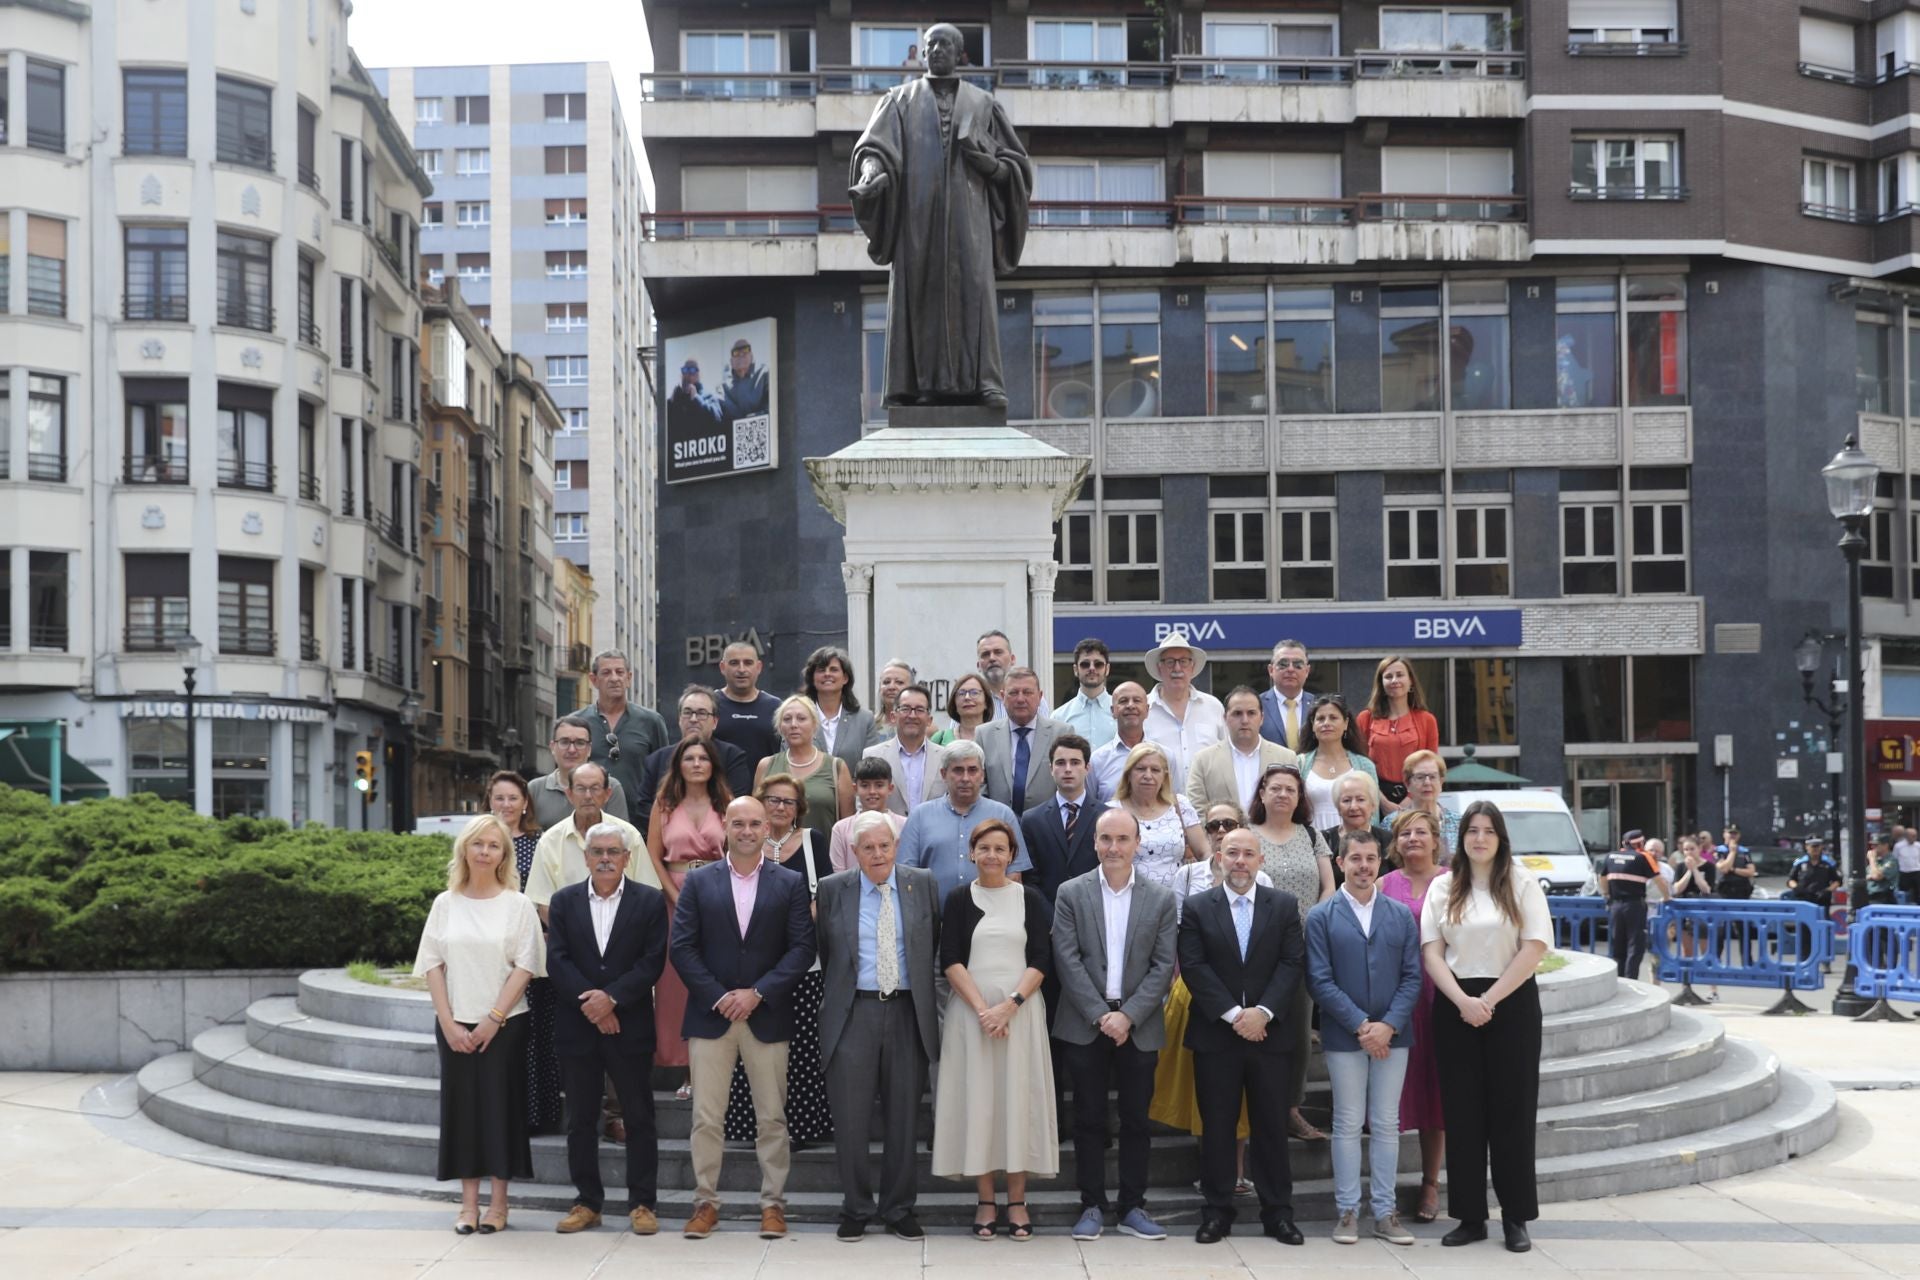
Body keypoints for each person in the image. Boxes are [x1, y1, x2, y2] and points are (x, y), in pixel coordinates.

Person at [850, 22, 1032, 410]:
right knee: (921, 295)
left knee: (976, 294)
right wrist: (870, 172)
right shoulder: (899, 100)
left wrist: (992, 168)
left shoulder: (984, 104)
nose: (935, 51)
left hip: (971, 223)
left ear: (960, 53)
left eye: (944, 44)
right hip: (918, 221)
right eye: (929, 45)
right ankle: (921, 386)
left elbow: (1015, 167)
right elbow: (875, 149)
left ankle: (986, 383)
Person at [671, 796, 818, 1241]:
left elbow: (801, 949)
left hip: (766, 1014)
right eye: (739, 823)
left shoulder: (790, 882)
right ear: (726, 829)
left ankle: (773, 1205)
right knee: (705, 1118)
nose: (749, 830)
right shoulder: (699, 883)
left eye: (756, 823)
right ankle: (704, 1203)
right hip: (710, 1015)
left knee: (772, 1118)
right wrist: (719, 997)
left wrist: (757, 993)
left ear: (766, 828)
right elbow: (682, 947)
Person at [1421, 801, 1552, 1254]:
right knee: (1462, 1113)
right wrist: (1462, 1001)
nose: (1479, 838)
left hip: (1510, 1003)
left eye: (1488, 831)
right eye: (1472, 830)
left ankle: (1516, 1217)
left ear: (1500, 838)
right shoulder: (1443, 886)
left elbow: (1534, 946)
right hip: (1456, 1006)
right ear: (1462, 838)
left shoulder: (1521, 881)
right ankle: (1470, 1217)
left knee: (1513, 1111)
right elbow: (1432, 952)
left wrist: (1489, 1000)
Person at [412, 814, 545, 1235]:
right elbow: (432, 964)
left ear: (504, 854)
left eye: (493, 845)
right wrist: (449, 1023)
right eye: (478, 844)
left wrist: (493, 1019)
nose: (485, 852)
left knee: (500, 1110)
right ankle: (468, 1205)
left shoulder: (517, 904)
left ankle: (499, 1204)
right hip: (454, 1023)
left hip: (505, 1025)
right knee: (463, 1112)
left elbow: (526, 966)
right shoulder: (444, 903)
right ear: (464, 850)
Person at [1051, 809, 1178, 1242]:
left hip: (1138, 1025)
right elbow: (1066, 959)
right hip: (1086, 1022)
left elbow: (1163, 966)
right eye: (1106, 838)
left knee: (1136, 1120)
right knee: (1088, 1118)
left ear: (1137, 843)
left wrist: (1128, 1015)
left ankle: (1131, 1207)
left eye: (1123, 839)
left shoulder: (1160, 898)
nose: (1114, 847)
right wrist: (1101, 1014)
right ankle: (1091, 1204)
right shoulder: (1071, 892)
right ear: (1094, 843)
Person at [1179, 826, 1306, 1248]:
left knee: (1271, 1126)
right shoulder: (1197, 907)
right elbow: (1194, 966)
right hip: (1218, 1035)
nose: (1239, 861)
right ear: (1218, 858)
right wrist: (1236, 1015)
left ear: (1260, 861)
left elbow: (1292, 963)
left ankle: (1278, 1214)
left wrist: (1263, 1013)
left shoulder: (1284, 906)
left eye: (1248, 854)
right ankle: (1216, 1213)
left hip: (1271, 1035)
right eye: (1231, 853)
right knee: (1217, 1128)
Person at [817, 813, 941, 1242]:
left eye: (884, 846)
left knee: (904, 1117)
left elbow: (934, 943)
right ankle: (856, 1207)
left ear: (896, 846)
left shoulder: (921, 883)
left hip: (908, 1011)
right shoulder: (834, 890)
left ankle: (899, 1207)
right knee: (850, 1119)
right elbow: (826, 950)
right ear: (854, 852)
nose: (877, 854)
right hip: (854, 1012)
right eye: (867, 847)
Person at [933, 819, 1057, 1241]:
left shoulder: (1032, 898)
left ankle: (1017, 1201)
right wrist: (984, 1010)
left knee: (1016, 1102)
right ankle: (986, 1199)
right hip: (972, 1018)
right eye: (984, 848)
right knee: (980, 1102)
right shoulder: (957, 898)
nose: (991, 855)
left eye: (1000, 848)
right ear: (972, 852)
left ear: (1012, 854)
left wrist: (1010, 1006)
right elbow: (949, 958)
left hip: (1020, 1015)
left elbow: (1042, 959)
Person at [546, 823, 669, 1237]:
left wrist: (612, 999)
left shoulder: (649, 901)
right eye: (597, 851)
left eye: (613, 851)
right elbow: (557, 961)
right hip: (578, 1027)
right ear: (585, 857)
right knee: (581, 1119)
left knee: (639, 1116)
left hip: (628, 1025)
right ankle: (586, 1202)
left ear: (626, 857)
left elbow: (652, 962)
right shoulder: (563, 902)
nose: (604, 858)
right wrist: (594, 1004)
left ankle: (642, 1204)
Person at [1307, 830, 1422, 1248]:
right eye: (1355, 858)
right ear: (1340, 863)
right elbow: (1319, 980)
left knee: (1387, 1123)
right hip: (1344, 1034)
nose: (1363, 866)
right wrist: (1361, 1025)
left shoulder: (1398, 915)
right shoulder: (1322, 916)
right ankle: (1347, 1211)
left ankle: (1386, 1211)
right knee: (1348, 1122)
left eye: (1371, 859)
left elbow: (1413, 976)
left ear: (1380, 863)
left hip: (1394, 1036)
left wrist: (1388, 1025)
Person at [1150, 803, 1270, 1197]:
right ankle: (1212, 1170)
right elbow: (1176, 936)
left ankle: (1237, 1171)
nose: (1221, 830)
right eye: (1214, 825)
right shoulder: (1188, 876)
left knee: (1242, 1094)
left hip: (1248, 998)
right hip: (1195, 993)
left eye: (1229, 824)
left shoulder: (1261, 877)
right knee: (1201, 1089)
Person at [723, 776, 837, 1152]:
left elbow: (825, 892)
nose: (780, 807)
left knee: (802, 1046)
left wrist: (795, 927)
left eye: (789, 802)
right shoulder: (745, 840)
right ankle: (754, 1125)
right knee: (754, 1043)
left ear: (799, 807)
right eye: (772, 800)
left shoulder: (812, 842)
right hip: (752, 961)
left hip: (803, 958)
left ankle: (802, 1126)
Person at [1247, 763, 1334, 1142]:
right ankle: (1252, 1111)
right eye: (1275, 788)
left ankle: (1291, 1110)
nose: (1283, 794)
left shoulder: (1312, 835)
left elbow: (1329, 887)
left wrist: (1313, 920)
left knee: (1298, 1031)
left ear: (1300, 798)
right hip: (1253, 949)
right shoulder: (1245, 834)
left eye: (1291, 789)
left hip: (1301, 949)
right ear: (1262, 793)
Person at [645, 737, 732, 1084]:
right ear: (678, 764)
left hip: (717, 895)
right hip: (675, 895)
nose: (697, 764)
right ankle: (682, 1066)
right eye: (689, 758)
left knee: (715, 972)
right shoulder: (664, 804)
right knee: (675, 980)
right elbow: (652, 853)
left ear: (713, 765)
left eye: (703, 758)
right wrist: (673, 895)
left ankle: (713, 1063)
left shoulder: (725, 803)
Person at [1378, 808, 1449, 1223]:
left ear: (1436, 839)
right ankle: (1382, 1188)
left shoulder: (1451, 882)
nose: (1413, 840)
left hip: (1442, 998)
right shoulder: (1385, 883)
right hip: (1397, 1003)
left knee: (1436, 1092)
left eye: (1421, 832)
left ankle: (1430, 1184)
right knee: (1391, 1096)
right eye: (1405, 833)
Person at [485, 770, 562, 1137]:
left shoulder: (540, 841)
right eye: (499, 798)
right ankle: (501, 1111)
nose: (506, 805)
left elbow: (551, 895)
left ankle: (539, 1113)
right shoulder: (480, 842)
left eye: (512, 798)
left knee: (536, 1031)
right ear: (489, 801)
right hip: (490, 952)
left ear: (525, 803)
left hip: (533, 949)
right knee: (500, 1030)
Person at [526, 762, 658, 927]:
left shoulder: (629, 836)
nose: (588, 796)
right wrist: (575, 936)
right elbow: (544, 904)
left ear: (607, 793)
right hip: (571, 941)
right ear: (569, 794)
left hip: (625, 936)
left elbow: (648, 895)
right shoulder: (549, 842)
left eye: (595, 788)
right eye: (581, 788)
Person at [896, 740, 1032, 899]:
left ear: (982, 775)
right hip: (933, 919)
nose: (965, 778)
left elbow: (1014, 875)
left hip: (990, 917)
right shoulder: (920, 816)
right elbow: (906, 875)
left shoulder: (1003, 815)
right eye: (958, 770)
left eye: (972, 770)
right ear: (943, 774)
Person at [634, 686, 755, 837]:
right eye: (687, 712)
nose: (693, 719)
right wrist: (678, 829)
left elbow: (737, 805)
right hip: (667, 846)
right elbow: (643, 807)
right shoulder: (656, 760)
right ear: (679, 719)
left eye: (701, 713)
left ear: (715, 722)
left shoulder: (732, 757)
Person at [754, 695, 855, 839]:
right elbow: (755, 818)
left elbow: (848, 826)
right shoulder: (766, 765)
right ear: (780, 727)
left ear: (814, 724)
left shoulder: (836, 767)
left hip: (823, 857)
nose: (793, 724)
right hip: (774, 857)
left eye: (801, 718)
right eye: (787, 719)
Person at [580, 650, 672, 807]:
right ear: (594, 680)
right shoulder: (578, 722)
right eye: (606, 673)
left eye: (620, 672)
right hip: (590, 818)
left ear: (629, 678)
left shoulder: (652, 721)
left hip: (640, 821)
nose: (614, 678)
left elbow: (666, 774)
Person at [1187, 685, 1297, 816]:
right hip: (1222, 835)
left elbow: (1294, 805)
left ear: (1261, 718)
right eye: (1237, 713)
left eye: (1251, 713)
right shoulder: (1203, 760)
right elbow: (1196, 812)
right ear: (1225, 718)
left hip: (1273, 835)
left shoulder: (1286, 758)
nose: (1245, 720)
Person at [1110, 741, 1207, 889]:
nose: (1148, 775)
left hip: (1176, 901)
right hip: (1130, 900)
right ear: (1128, 774)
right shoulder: (1111, 812)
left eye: (1155, 770)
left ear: (1164, 776)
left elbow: (1204, 851)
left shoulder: (1180, 806)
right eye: (1141, 769)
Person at [1020, 734, 1099, 902]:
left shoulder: (1105, 816)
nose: (1068, 769)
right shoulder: (1032, 820)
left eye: (1075, 762)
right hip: (1047, 916)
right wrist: (1049, 918)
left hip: (1095, 913)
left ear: (1087, 767)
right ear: (1051, 769)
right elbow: (1030, 879)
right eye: (1061, 763)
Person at [977, 666, 1068, 813]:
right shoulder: (984, 734)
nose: (1020, 699)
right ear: (1002, 696)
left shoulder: (1061, 733)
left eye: (1027, 692)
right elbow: (980, 786)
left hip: (1046, 826)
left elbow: (1066, 783)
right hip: (998, 826)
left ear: (1040, 696)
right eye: (1013, 693)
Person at [1355, 656, 1440, 808]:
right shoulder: (1365, 719)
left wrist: (1410, 799)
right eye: (1388, 676)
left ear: (1411, 680)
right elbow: (1358, 764)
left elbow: (1432, 765)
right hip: (1374, 798)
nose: (1394, 680)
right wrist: (1382, 802)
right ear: (1381, 683)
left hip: (1417, 797)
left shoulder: (1427, 720)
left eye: (1400, 675)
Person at [1142, 631, 1226, 779]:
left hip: (1207, 800)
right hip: (1160, 800)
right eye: (1170, 662)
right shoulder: (1143, 709)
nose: (1177, 668)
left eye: (1183, 661)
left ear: (1192, 667)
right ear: (1159, 667)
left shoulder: (1213, 706)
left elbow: (1228, 754)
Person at [1090, 681, 1185, 803]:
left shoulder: (1166, 756)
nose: (1130, 705)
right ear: (1113, 711)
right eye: (1123, 701)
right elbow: (1090, 808)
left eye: (1137, 700)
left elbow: (1175, 803)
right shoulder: (1097, 760)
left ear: (1147, 710)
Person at [534, 713, 632, 828]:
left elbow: (620, 835)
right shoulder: (535, 789)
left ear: (589, 749)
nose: (571, 750)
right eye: (564, 742)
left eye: (580, 743)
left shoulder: (610, 787)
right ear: (552, 747)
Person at [864, 683, 949, 814]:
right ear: (893, 716)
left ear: (929, 720)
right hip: (888, 832)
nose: (912, 715)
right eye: (905, 709)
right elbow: (863, 806)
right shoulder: (873, 755)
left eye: (920, 710)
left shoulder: (945, 757)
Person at [1297, 695, 1381, 824]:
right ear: (1313, 725)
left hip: (1354, 840)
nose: (1326, 723)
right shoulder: (1299, 764)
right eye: (1320, 719)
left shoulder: (1364, 765)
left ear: (1346, 724)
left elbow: (1373, 813)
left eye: (1333, 718)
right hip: (1312, 840)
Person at [803, 645, 880, 780]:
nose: (827, 674)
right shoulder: (798, 718)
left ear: (845, 678)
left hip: (853, 798)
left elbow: (872, 768)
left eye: (833, 670)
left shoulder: (864, 719)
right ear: (812, 679)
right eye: (821, 670)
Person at [1599, 829, 1662, 981]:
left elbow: (1602, 879)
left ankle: (1618, 980)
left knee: (1618, 945)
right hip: (1634, 905)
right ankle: (1630, 980)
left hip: (1615, 906)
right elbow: (1659, 880)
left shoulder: (1610, 856)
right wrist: (1667, 898)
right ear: (1640, 843)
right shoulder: (1643, 857)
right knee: (1635, 945)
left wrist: (1607, 895)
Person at [830, 756, 908, 872]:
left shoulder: (905, 825)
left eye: (879, 785)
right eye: (865, 786)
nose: (872, 792)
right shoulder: (841, 829)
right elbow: (838, 874)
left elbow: (909, 867)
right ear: (855, 789)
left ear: (890, 788)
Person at [714, 640, 783, 764]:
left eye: (748, 663)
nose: (741, 669)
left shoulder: (776, 707)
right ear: (722, 667)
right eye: (734, 663)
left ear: (759, 667)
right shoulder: (709, 704)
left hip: (766, 783)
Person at [1320, 771, 1394, 874]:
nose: (1353, 807)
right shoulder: (1323, 840)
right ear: (1338, 807)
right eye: (1346, 800)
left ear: (1373, 805)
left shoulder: (1389, 841)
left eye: (1360, 799)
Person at [974, 629, 1052, 721]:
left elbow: (1044, 733)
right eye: (985, 654)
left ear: (1012, 659)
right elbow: (956, 734)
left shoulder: (1034, 699)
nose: (992, 658)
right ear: (978, 665)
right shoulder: (969, 701)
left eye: (998, 652)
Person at [1057, 637, 1117, 749]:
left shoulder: (1121, 712)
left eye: (1098, 664)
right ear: (1075, 670)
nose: (1092, 668)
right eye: (1085, 664)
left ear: (1107, 669)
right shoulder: (1059, 717)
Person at [1669, 835, 1718, 969]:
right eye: (1686, 849)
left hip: (1703, 910)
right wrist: (1689, 871)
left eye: (1692, 849)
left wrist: (1695, 869)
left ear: (1699, 849)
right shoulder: (1680, 867)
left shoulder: (1709, 867)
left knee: (1706, 949)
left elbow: (1706, 888)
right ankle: (1687, 984)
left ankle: (1712, 986)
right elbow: (1677, 889)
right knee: (1687, 951)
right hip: (1684, 910)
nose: (1689, 852)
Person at [1260, 640, 1317, 753]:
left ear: (1307, 671)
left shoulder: (1318, 705)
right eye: (1283, 664)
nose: (1290, 669)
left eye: (1298, 665)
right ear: (1271, 670)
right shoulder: (1257, 705)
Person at [1399, 750, 1460, 852]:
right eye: (1420, 777)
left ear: (1441, 782)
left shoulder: (1458, 823)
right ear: (1407, 784)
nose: (1427, 783)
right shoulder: (1392, 823)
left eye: (1432, 777)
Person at [932, 672, 994, 745]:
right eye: (961, 693)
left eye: (974, 693)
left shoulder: (996, 737)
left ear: (986, 702)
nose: (967, 697)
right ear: (954, 702)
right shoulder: (940, 739)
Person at [667, 359, 724, 438]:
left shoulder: (708, 396)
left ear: (699, 374)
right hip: (679, 447)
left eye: (692, 370)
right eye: (685, 370)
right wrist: (670, 402)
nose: (688, 374)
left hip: (701, 446)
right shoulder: (675, 398)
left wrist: (696, 399)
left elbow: (717, 419)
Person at [1785, 836, 1841, 913]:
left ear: (1821, 847)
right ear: (1807, 847)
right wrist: (1797, 888)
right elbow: (1791, 880)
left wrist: (1827, 890)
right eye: (1813, 846)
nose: (1815, 849)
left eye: (1817, 846)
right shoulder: (1799, 862)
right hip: (1803, 900)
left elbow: (1837, 881)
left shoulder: (1829, 863)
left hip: (1822, 900)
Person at [720, 336, 770, 421]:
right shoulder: (724, 387)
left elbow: (772, 407)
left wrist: (752, 419)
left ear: (751, 356)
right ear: (731, 361)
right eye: (736, 352)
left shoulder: (764, 374)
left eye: (745, 350)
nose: (741, 354)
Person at [874, 659, 915, 738]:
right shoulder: (868, 726)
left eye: (899, 682)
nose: (891, 687)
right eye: (886, 682)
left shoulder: (925, 728)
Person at [1894, 825, 1920, 903]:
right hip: (1904, 872)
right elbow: (1895, 858)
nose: (1914, 838)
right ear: (1906, 836)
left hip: (1916, 871)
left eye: (1915, 836)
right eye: (1912, 836)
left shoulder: (1918, 845)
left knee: (1918, 892)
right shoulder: (1898, 846)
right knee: (1903, 892)